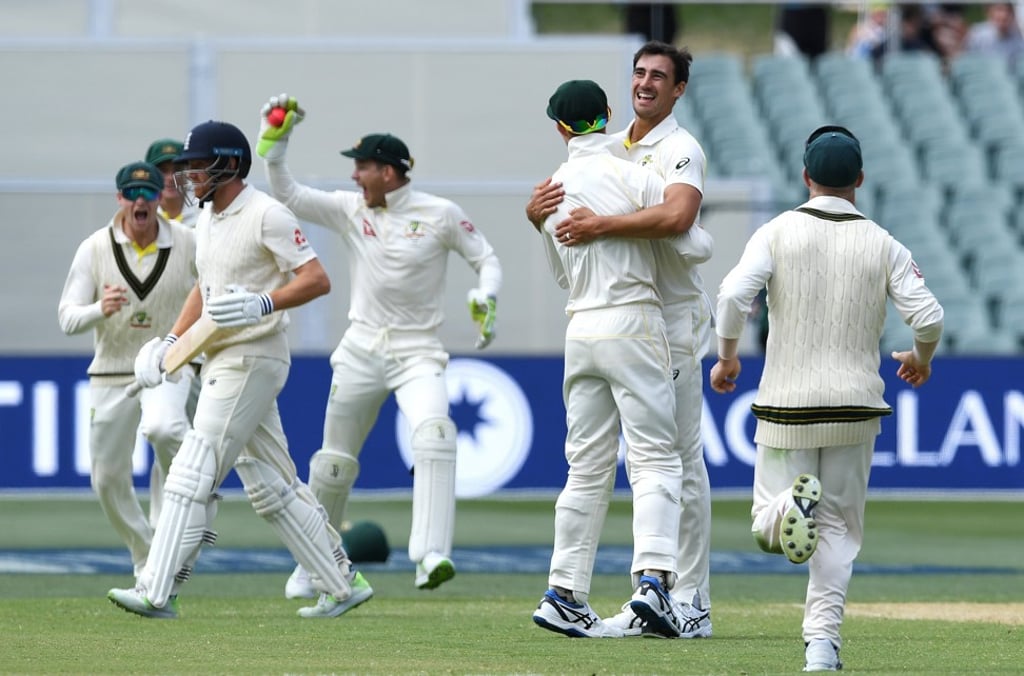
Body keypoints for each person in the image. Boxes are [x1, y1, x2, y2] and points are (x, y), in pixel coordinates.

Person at [107, 120, 370, 620]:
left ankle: (155, 590)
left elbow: (316, 279)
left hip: (253, 356)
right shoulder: (206, 218)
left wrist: (263, 303)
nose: (186, 177)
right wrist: (170, 342)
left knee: (193, 467)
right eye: (183, 168)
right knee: (272, 484)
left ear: (228, 164)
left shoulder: (267, 214)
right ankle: (341, 583)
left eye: (195, 166)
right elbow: (204, 289)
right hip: (219, 357)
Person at [708, 125, 944, 672]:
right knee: (838, 531)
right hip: (856, 405)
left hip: (787, 403)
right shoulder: (883, 241)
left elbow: (732, 296)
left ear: (805, 176)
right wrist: (920, 360)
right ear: (859, 180)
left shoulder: (776, 231)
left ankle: (791, 508)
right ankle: (822, 646)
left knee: (768, 524)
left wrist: (727, 357)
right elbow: (928, 317)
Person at [255, 94, 502, 597]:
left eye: (363, 167)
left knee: (435, 434)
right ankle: (313, 566)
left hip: (418, 352)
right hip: (362, 348)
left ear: (390, 172)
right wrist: (276, 144)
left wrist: (485, 295)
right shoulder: (351, 210)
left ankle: (431, 554)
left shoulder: (440, 213)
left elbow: (487, 258)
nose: (354, 177)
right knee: (332, 463)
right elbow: (289, 194)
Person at [526, 40, 714, 638]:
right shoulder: (624, 167)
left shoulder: (559, 186)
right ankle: (658, 588)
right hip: (636, 321)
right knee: (662, 459)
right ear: (605, 114)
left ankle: (565, 592)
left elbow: (562, 266)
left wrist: (557, 223)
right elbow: (691, 238)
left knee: (587, 467)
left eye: (659, 75)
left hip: (585, 325)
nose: (647, 82)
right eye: (639, 73)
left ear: (561, 128)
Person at [58, 160, 197, 583]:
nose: (141, 200)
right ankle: (146, 554)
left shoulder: (188, 241)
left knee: (163, 429)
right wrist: (100, 309)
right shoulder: (95, 248)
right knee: (106, 478)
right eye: (131, 193)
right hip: (112, 372)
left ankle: (187, 506)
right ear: (119, 198)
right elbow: (66, 318)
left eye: (149, 193)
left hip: (168, 364)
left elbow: (211, 290)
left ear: (160, 199)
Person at [145, 139, 199, 228]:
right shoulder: (139, 212)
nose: (170, 177)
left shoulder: (205, 210)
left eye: (177, 169)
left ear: (188, 172)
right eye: (163, 171)